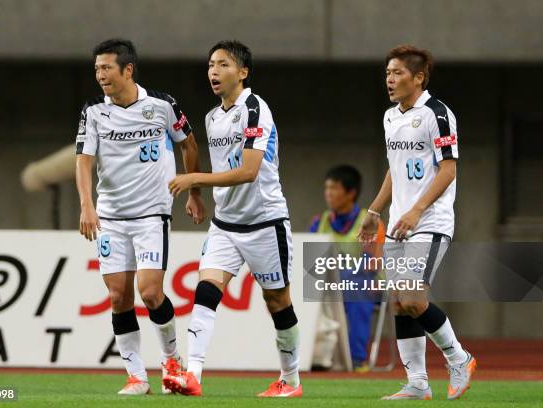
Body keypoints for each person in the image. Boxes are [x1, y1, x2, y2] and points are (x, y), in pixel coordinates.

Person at [162, 40, 302, 398]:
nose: (213, 71)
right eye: (210, 64)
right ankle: (192, 375)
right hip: (225, 225)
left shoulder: (256, 109)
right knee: (206, 290)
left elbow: (249, 171)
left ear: (242, 72)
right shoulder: (212, 117)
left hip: (265, 223)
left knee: (278, 302)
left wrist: (196, 179)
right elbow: (224, 169)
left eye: (223, 64)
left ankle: (290, 380)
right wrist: (196, 195)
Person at [75, 38, 206, 395]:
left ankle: (171, 362)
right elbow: (83, 161)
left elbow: (189, 144)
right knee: (118, 297)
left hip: (151, 215)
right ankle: (136, 376)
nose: (100, 75)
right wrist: (87, 204)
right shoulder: (94, 112)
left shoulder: (162, 105)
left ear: (127, 69)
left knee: (150, 293)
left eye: (107, 68)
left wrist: (193, 192)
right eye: (97, 69)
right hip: (111, 219)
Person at [358, 45, 476, 400]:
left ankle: (459, 357)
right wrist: (375, 211)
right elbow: (395, 170)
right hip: (398, 224)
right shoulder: (390, 117)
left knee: (411, 296)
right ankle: (417, 384)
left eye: (397, 73)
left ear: (419, 77)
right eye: (387, 74)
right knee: (400, 301)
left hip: (430, 221)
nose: (390, 80)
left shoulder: (437, 114)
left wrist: (417, 211)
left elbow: (449, 170)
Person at [309, 165, 385, 371]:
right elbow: (309, 261)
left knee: (356, 282)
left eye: (334, 188)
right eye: (327, 188)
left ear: (351, 193)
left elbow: (374, 263)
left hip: (365, 286)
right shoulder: (319, 222)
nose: (328, 193)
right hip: (326, 287)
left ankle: (356, 359)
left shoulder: (369, 223)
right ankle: (310, 354)